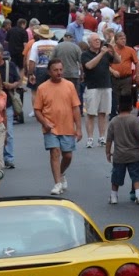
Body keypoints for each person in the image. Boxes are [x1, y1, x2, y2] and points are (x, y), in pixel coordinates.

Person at [33, 58, 82, 195]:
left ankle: (61, 173)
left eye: (60, 70)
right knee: (54, 152)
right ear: (49, 72)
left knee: (68, 156)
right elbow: (37, 110)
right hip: (51, 127)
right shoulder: (42, 88)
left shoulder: (69, 86)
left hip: (67, 126)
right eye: (55, 70)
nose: (59, 72)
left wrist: (78, 128)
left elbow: (76, 107)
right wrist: (44, 123)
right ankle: (57, 183)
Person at [106, 93, 139, 205]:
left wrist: (108, 153)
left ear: (118, 107)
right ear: (131, 107)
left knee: (116, 176)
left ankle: (114, 196)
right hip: (134, 154)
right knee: (136, 176)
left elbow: (109, 139)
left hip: (119, 155)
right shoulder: (134, 120)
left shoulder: (114, 121)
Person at [80, 33, 116, 150]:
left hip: (106, 85)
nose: (98, 42)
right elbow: (89, 66)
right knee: (91, 114)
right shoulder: (85, 55)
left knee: (103, 113)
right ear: (89, 43)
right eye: (95, 40)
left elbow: (118, 61)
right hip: (92, 87)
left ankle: (102, 137)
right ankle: (90, 138)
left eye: (99, 40)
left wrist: (113, 50)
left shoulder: (106, 53)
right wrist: (101, 54)